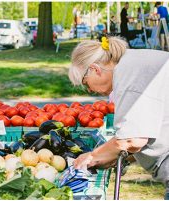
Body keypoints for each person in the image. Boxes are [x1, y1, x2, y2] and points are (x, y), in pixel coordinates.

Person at [68, 36, 169, 199]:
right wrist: (121, 156)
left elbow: (132, 140)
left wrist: (93, 156)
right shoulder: (132, 62)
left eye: (86, 83)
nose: (90, 90)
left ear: (95, 69)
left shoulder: (127, 75)